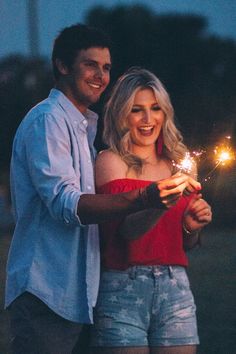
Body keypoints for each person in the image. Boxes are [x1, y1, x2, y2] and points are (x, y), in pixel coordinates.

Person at [5, 23, 201, 353]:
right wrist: (145, 196)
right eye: (90, 64)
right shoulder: (47, 120)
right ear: (62, 65)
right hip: (47, 291)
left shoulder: (84, 130)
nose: (101, 75)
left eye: (106, 67)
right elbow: (66, 204)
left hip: (80, 295)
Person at [90, 67, 212, 354]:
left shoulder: (181, 164)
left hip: (175, 288)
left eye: (155, 108)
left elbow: (184, 245)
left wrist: (192, 227)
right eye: (137, 110)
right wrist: (159, 203)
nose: (148, 119)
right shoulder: (110, 162)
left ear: (165, 112)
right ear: (122, 114)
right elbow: (126, 233)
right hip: (123, 289)